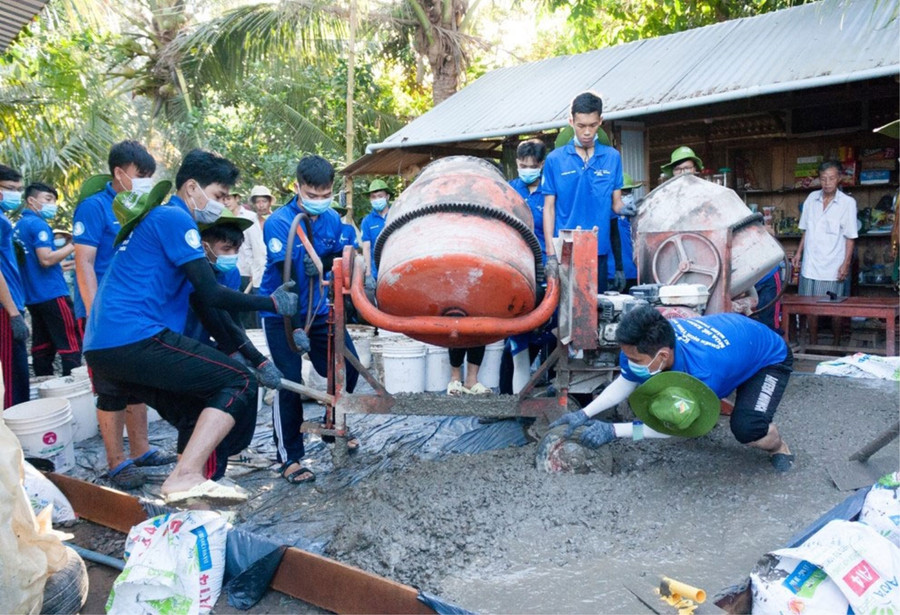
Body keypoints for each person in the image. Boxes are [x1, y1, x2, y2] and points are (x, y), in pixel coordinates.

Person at [83, 149, 298, 503]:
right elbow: (214, 294)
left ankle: (192, 491)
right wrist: (270, 302)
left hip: (106, 348)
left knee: (193, 410)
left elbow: (209, 308)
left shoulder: (163, 228)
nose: (220, 205)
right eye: (217, 196)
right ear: (192, 187)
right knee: (238, 380)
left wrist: (256, 357)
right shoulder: (173, 218)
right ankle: (184, 476)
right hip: (134, 337)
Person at [551, 306, 795, 472]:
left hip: (768, 357)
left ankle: (779, 447)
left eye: (635, 360)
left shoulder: (704, 373)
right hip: (735, 343)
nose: (630, 362)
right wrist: (584, 414)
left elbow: (670, 431)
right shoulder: (642, 348)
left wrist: (615, 431)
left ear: (663, 354)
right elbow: (626, 382)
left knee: (746, 427)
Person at [73, 140, 171, 489]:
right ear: (119, 172)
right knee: (110, 386)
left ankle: (141, 449)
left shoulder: (138, 207)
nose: (145, 181)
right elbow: (83, 262)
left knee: (138, 380)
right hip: (103, 313)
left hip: (134, 310)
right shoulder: (94, 207)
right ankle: (117, 461)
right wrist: (96, 312)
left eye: (149, 176)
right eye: (140, 175)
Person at [260, 155, 360, 485]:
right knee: (288, 381)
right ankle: (289, 456)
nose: (318, 201)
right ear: (297, 188)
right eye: (311, 194)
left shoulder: (332, 220)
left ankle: (334, 425)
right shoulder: (279, 222)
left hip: (319, 312)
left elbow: (343, 259)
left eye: (324, 194)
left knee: (346, 368)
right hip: (283, 315)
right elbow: (284, 268)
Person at [181, 210, 283, 482]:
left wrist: (249, 356)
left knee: (244, 380)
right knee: (225, 389)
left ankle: (235, 451)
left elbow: (231, 321)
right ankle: (208, 472)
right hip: (183, 341)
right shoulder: (194, 271)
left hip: (209, 339)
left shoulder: (228, 273)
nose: (231, 255)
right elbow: (215, 317)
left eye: (235, 249)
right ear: (204, 246)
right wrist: (254, 358)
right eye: (225, 248)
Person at [542, 91, 626, 293]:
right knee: (567, 313)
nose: (587, 132)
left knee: (597, 310)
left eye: (592, 125)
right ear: (571, 121)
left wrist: (630, 208)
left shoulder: (612, 157)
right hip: (566, 250)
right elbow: (549, 208)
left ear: (600, 121)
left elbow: (617, 204)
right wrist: (551, 253)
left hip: (599, 249)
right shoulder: (555, 159)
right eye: (581, 126)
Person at [13, 182, 81, 376]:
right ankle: (74, 384)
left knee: (42, 345)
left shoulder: (19, 227)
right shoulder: (38, 224)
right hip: (52, 294)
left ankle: (44, 383)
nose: (52, 205)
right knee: (71, 342)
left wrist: (68, 264)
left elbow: (35, 263)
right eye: (48, 199)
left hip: (33, 298)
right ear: (32, 201)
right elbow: (45, 259)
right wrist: (73, 244)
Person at [790, 160, 858, 297]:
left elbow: (850, 238)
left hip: (832, 267)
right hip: (809, 265)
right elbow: (806, 229)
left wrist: (846, 264)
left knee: (833, 308)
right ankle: (810, 320)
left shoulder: (847, 203)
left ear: (839, 178)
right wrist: (798, 253)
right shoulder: (811, 199)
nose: (827, 183)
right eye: (823, 179)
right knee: (808, 307)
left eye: (831, 178)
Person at [0, 164, 29, 409]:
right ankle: (14, 432)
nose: (14, 195)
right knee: (12, 374)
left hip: (11, 302)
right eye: (9, 189)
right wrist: (13, 313)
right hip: (5, 306)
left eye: (17, 190)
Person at [226, 186, 266, 330]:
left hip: (247, 271)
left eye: (229, 198)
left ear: (237, 199)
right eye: (223, 198)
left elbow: (255, 248)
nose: (226, 202)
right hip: (229, 269)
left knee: (248, 312)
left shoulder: (249, 218)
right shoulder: (220, 216)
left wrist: (252, 271)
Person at [607, 172, 641, 292]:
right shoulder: (607, 216)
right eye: (622, 192)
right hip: (611, 275)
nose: (626, 196)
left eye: (629, 191)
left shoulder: (635, 216)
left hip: (634, 274)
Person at [360, 179, 392, 297]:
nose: (377, 199)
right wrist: (368, 274)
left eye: (380, 196)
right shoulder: (367, 221)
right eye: (373, 197)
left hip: (397, 267)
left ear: (387, 197)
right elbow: (366, 248)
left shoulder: (396, 214)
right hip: (376, 271)